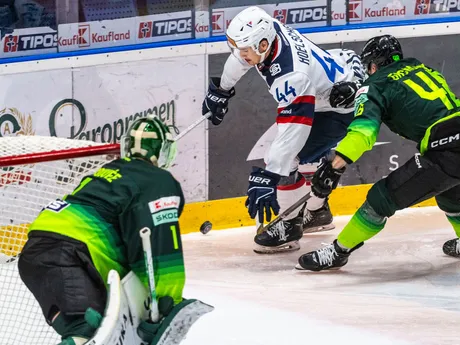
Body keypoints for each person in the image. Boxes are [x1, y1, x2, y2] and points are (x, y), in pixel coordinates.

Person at [18, 116, 211, 344]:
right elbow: (160, 246)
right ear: (165, 151)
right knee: (88, 334)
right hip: (70, 253)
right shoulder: (159, 180)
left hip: (34, 252)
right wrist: (166, 301)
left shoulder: (107, 171)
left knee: (85, 328)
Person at [202, 6, 365, 253]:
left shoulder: (292, 75)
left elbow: (293, 130)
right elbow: (240, 59)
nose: (240, 54)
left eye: (245, 50)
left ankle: (289, 227)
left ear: (263, 45)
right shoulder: (269, 31)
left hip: (339, 110)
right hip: (330, 87)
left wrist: (272, 174)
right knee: (301, 158)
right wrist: (222, 89)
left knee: (285, 159)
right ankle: (318, 212)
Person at [296, 35, 460, 271]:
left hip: (447, 150)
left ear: (373, 65)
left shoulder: (374, 85)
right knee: (450, 194)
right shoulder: (422, 68)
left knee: (380, 198)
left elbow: (364, 132)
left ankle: (338, 251)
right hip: (453, 142)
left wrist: (335, 164)